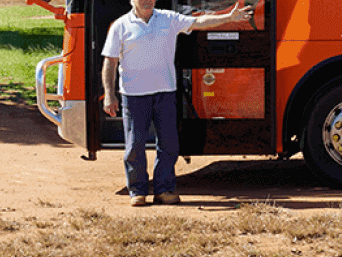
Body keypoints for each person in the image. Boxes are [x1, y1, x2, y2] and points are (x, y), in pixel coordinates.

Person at [101, 0, 253, 206]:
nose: (147, 1)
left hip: (165, 92)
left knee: (169, 144)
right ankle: (137, 191)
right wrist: (109, 95)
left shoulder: (168, 18)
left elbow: (199, 22)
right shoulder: (120, 25)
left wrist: (229, 18)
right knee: (135, 145)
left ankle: (163, 190)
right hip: (134, 95)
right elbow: (110, 62)